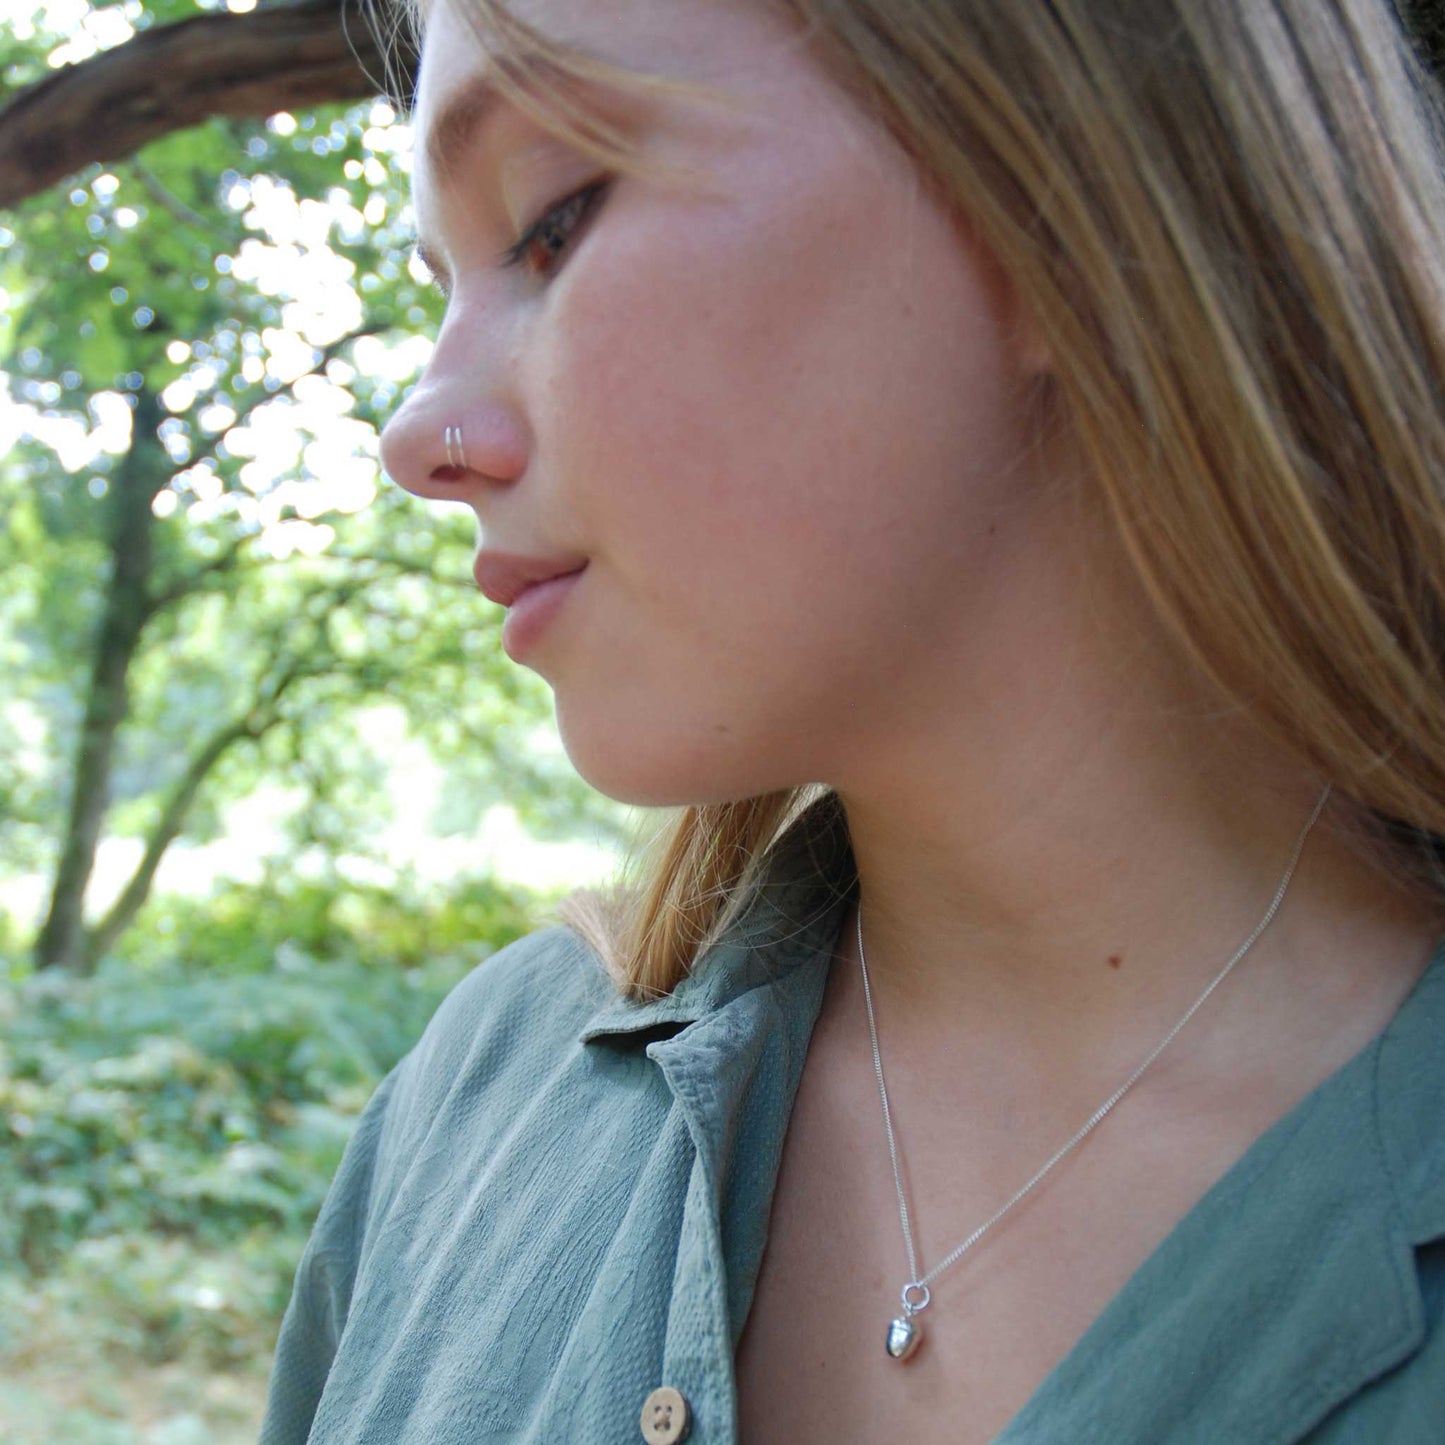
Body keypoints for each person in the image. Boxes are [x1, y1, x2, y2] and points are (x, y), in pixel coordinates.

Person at [259, 0, 1445, 1439]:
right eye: (436, 284)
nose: (414, 430)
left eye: (552, 220)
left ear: (1056, 184)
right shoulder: (475, 1107)